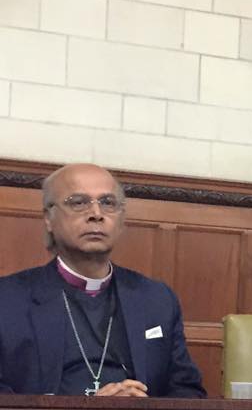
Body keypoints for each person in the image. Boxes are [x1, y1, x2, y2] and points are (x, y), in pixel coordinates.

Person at [0, 163, 205, 397]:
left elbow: (187, 391)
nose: (96, 214)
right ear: (49, 218)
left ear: (121, 219)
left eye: (108, 203)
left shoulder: (156, 299)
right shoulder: (8, 299)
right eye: (78, 203)